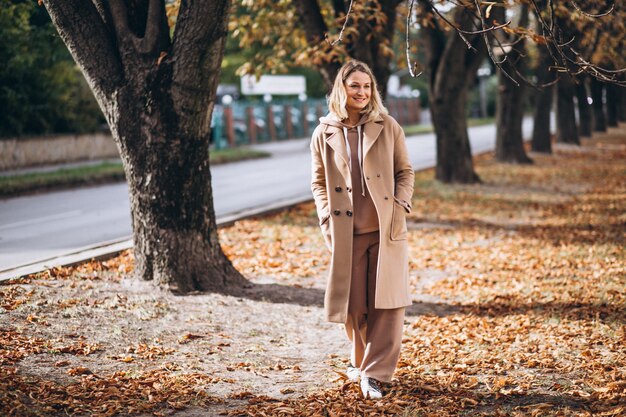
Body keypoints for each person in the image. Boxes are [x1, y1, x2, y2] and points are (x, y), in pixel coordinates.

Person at [310, 60, 414, 399]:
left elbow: (405, 172)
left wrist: (400, 205)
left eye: (367, 87)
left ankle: (374, 373)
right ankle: (361, 362)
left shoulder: (388, 125)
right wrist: (326, 216)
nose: (362, 92)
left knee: (387, 304)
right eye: (355, 85)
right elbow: (318, 183)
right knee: (353, 307)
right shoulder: (324, 132)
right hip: (345, 233)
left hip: (385, 230)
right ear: (342, 88)